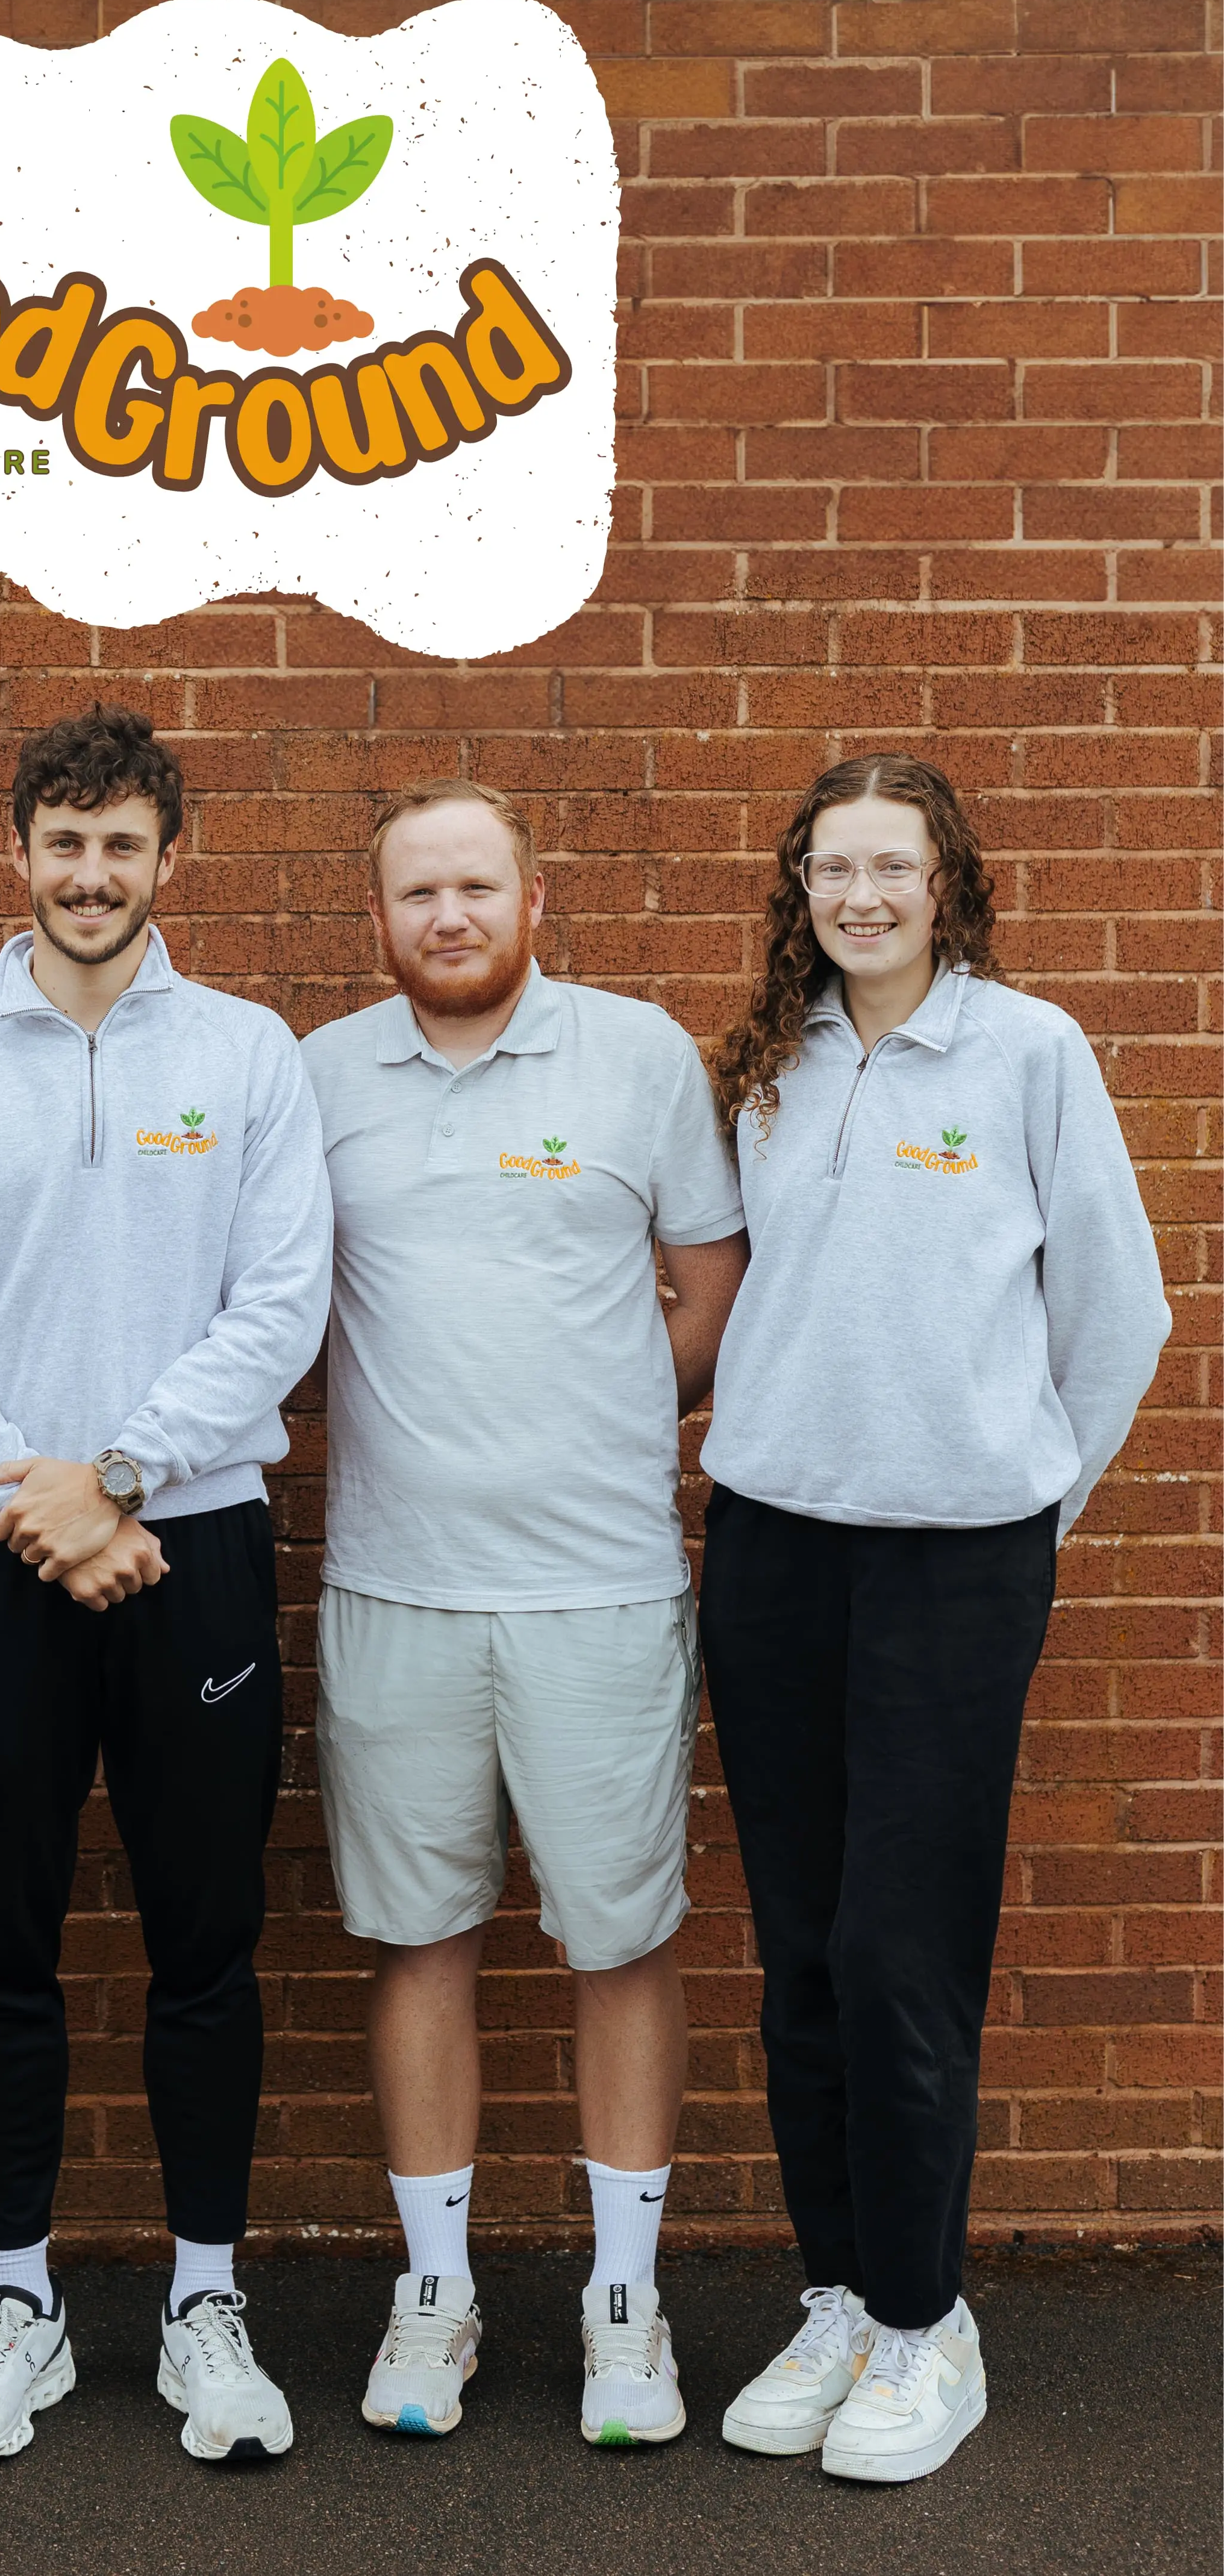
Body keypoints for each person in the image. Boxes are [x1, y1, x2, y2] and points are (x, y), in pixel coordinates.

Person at [0, 705, 333, 2466]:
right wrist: (37, 1497)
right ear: (17, 854)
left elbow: (281, 1303)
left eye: (123, 843)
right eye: (64, 841)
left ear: (167, 859)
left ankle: (208, 2299)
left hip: (187, 1544)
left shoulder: (251, 1054)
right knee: (3, 1938)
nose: (91, 873)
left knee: (207, 1935)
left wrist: (117, 1475)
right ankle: (21, 2301)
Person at [699, 754, 1170, 2486]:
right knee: (804, 1954)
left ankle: (924, 2323)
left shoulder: (1027, 1051)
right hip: (769, 1553)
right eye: (835, 867)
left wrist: (1019, 1508)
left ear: (947, 884)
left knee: (904, 1955)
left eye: (894, 866)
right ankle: (837, 2296)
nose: (864, 896)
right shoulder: (763, 1064)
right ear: (800, 888)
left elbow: (1119, 1313)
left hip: (952, 1568)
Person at [301, 780, 749, 2446]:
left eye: (476, 885)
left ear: (531, 895)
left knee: (618, 1936)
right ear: (380, 916)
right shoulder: (318, 1075)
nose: (449, 916)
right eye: (417, 892)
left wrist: (612, 1412)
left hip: (600, 1585)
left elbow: (709, 1284)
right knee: (418, 1937)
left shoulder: (635, 1059)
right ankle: (438, 2290)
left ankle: (623, 2303)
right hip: (395, 1585)